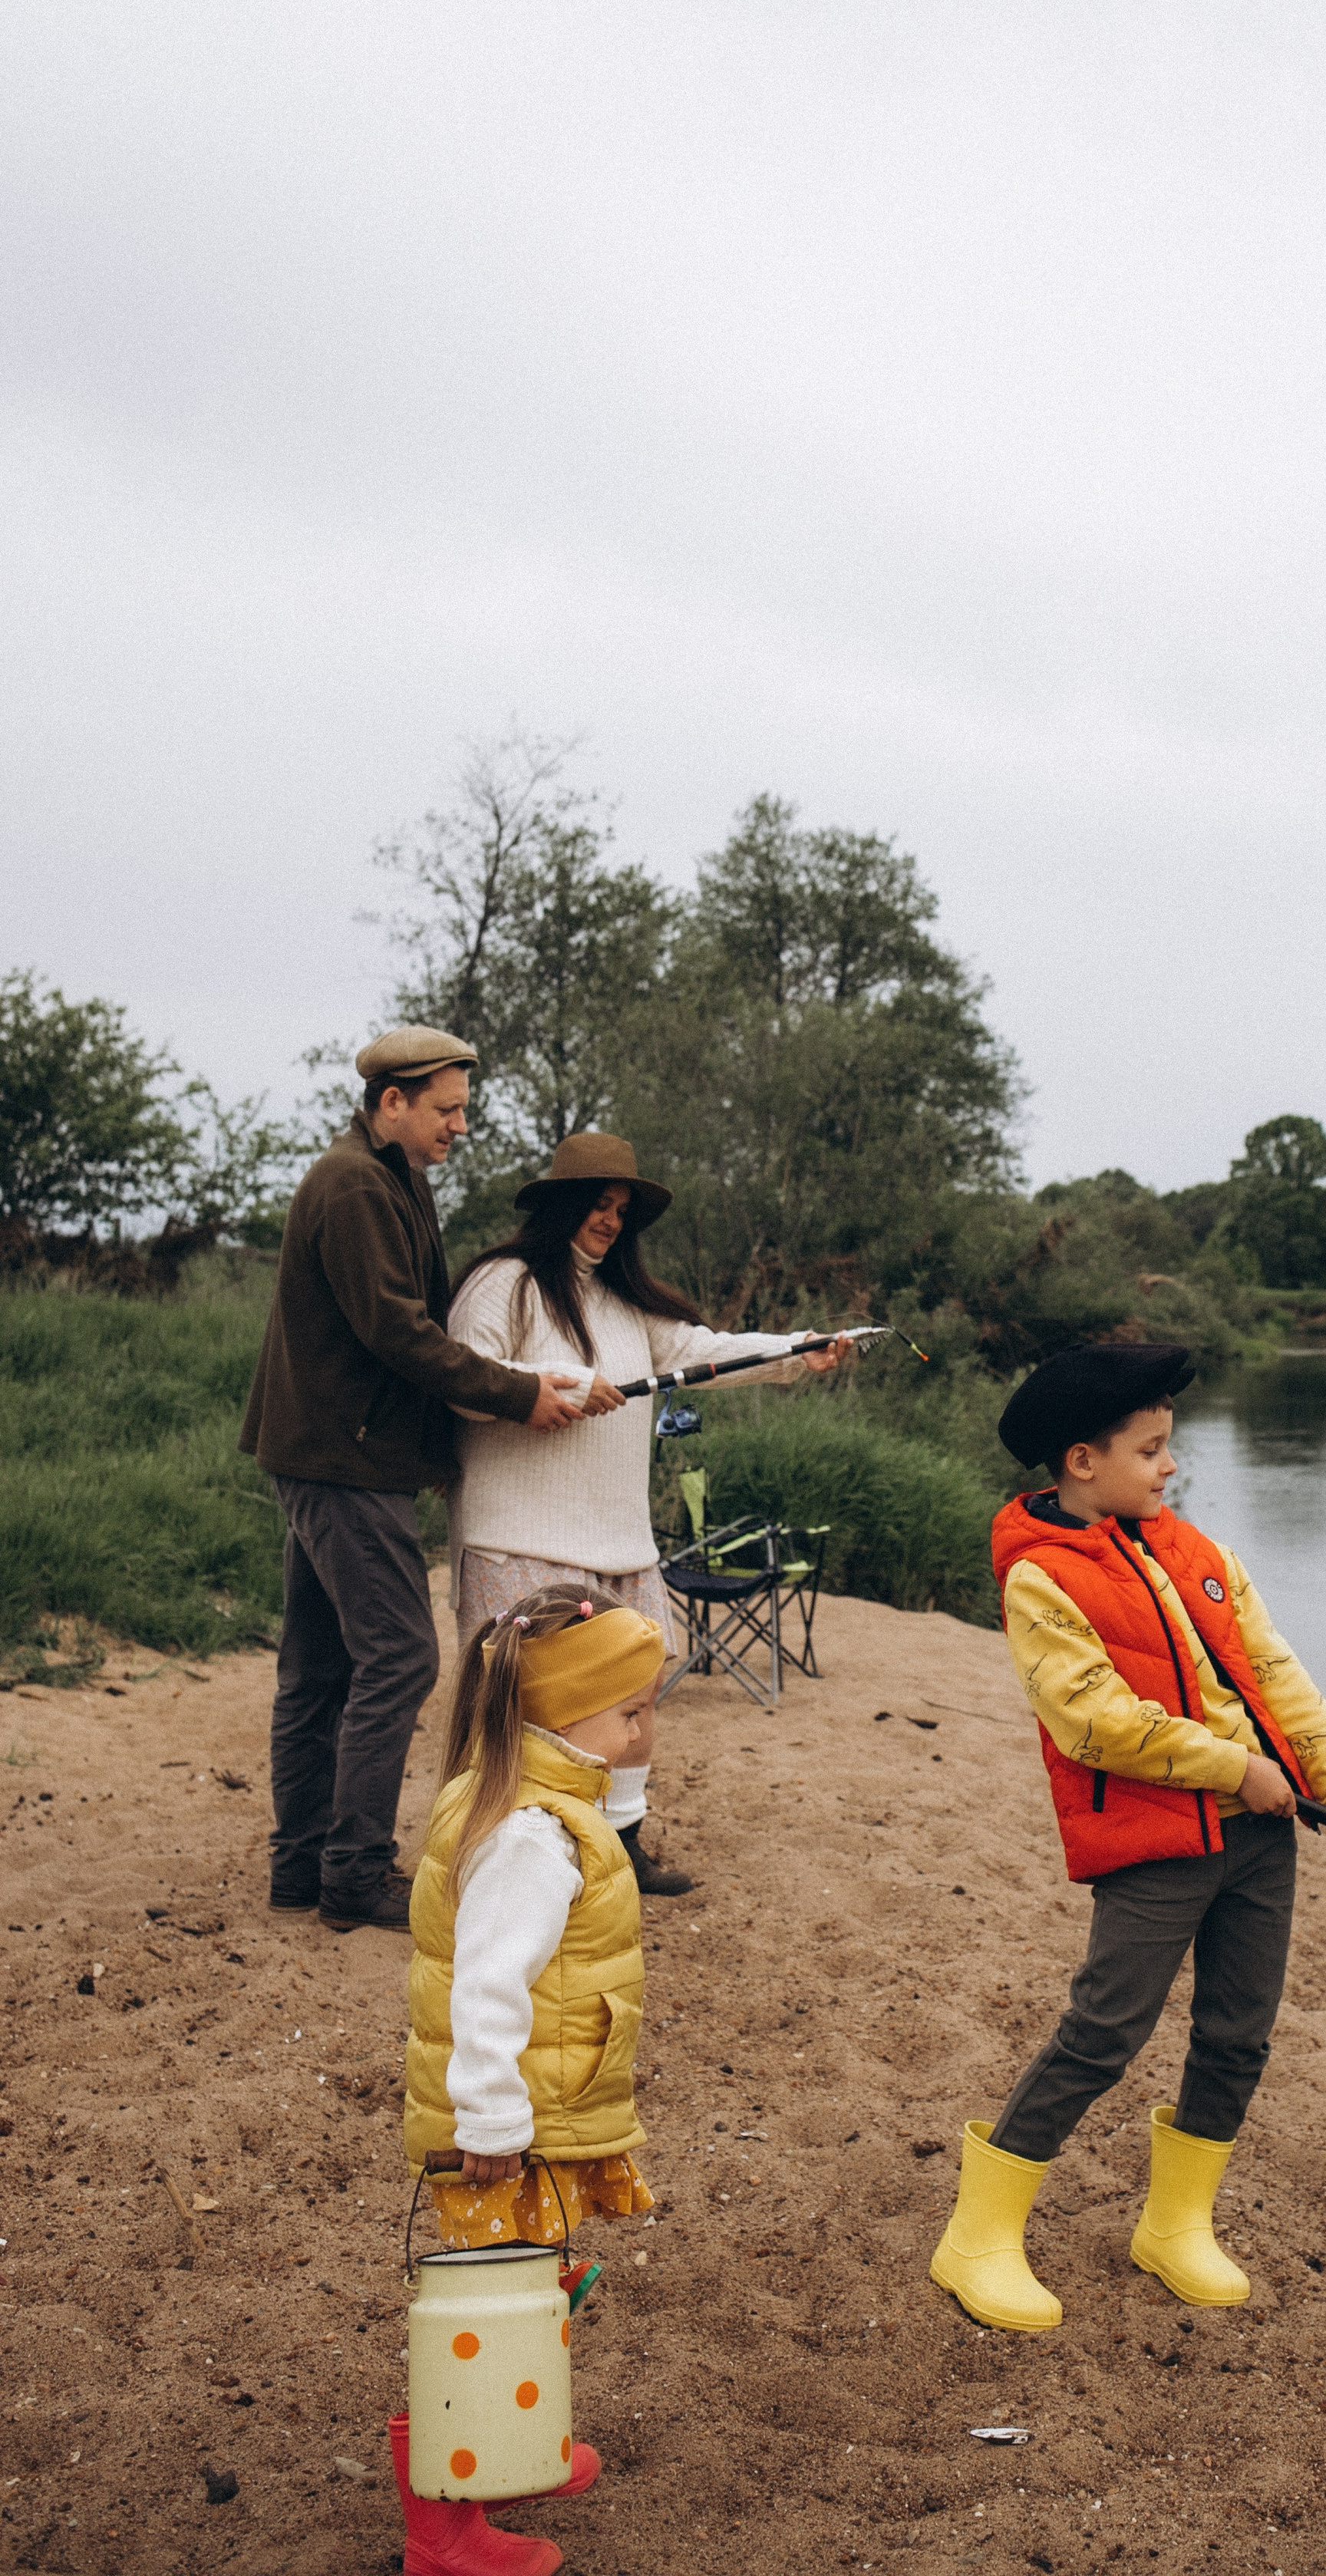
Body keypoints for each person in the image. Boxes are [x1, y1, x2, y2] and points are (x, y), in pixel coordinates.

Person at [929, 1340, 1326, 2332]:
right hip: (1155, 1846)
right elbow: (1091, 1720)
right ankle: (976, 2237)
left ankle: (1176, 2225)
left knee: (1238, 2036)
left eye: (1168, 1447)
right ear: (1080, 1463)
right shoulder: (1041, 1580)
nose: (1169, 1466)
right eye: (1149, 1450)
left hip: (1263, 1842)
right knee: (1103, 2033)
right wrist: (1234, 1767)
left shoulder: (1200, 1556)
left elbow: (1279, 1682)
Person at [242, 1029, 596, 1934]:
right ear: (390, 1101)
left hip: (337, 1453)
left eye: (463, 1108)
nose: (460, 1125)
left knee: (320, 1670)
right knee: (400, 1658)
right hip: (340, 1461)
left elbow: (404, 1329)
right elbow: (397, 1332)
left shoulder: (392, 1175)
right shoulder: (356, 1184)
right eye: (446, 1108)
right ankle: (354, 1876)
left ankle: (301, 1869)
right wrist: (518, 1394)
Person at [445, 1131, 847, 1895]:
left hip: (622, 1541)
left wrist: (798, 1348)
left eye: (622, 1210)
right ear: (563, 1203)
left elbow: (706, 1349)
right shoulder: (505, 1282)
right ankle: (496, 1857)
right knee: (525, 1710)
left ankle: (622, 1848)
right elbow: (468, 1378)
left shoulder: (627, 1305)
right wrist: (558, 1379)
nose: (610, 1221)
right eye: (599, 1205)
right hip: (519, 1538)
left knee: (634, 1695)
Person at [391, 1588, 663, 2576]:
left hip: (539, 2107)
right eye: (631, 1711)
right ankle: (445, 2534)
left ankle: (519, 2438)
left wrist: (617, 1775)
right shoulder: (530, 1839)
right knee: (480, 2312)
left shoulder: (529, 1796)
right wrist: (494, 2117)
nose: (646, 1729)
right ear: (561, 1716)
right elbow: (486, 1985)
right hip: (513, 2121)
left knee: (525, 2286)